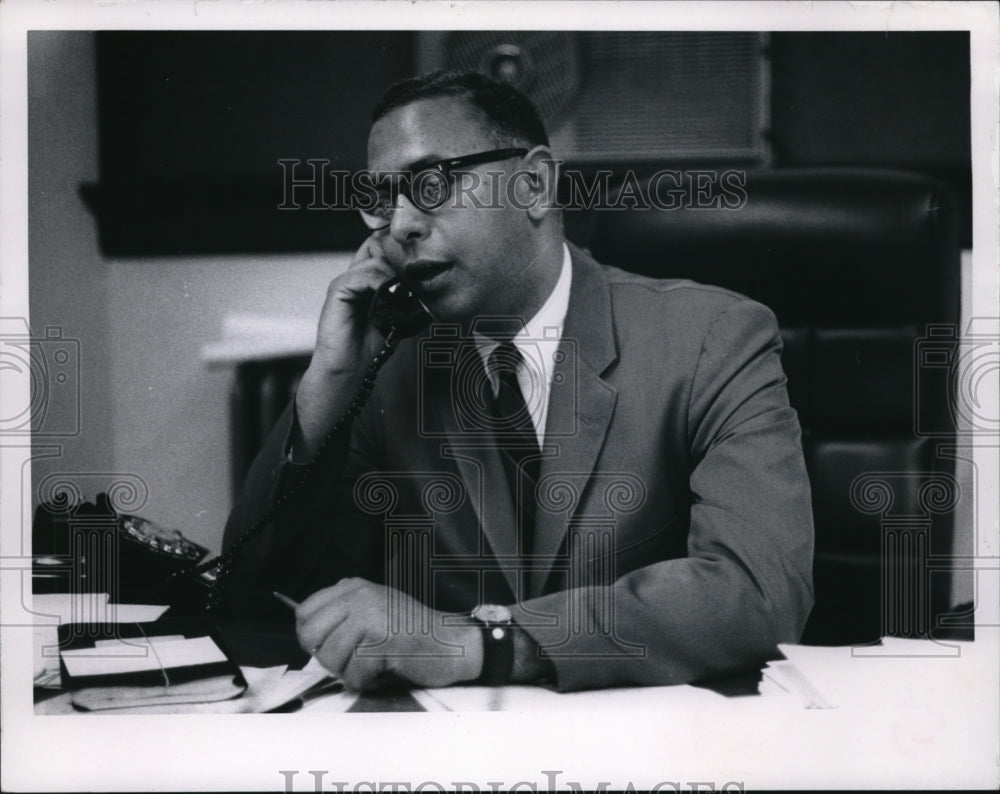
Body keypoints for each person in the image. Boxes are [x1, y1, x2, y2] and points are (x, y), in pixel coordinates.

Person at [220, 71, 814, 693]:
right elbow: (252, 597)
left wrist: (489, 645)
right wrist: (330, 380)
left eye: (430, 183)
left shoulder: (712, 338)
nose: (401, 225)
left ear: (534, 184)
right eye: (383, 197)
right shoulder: (390, 368)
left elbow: (757, 594)